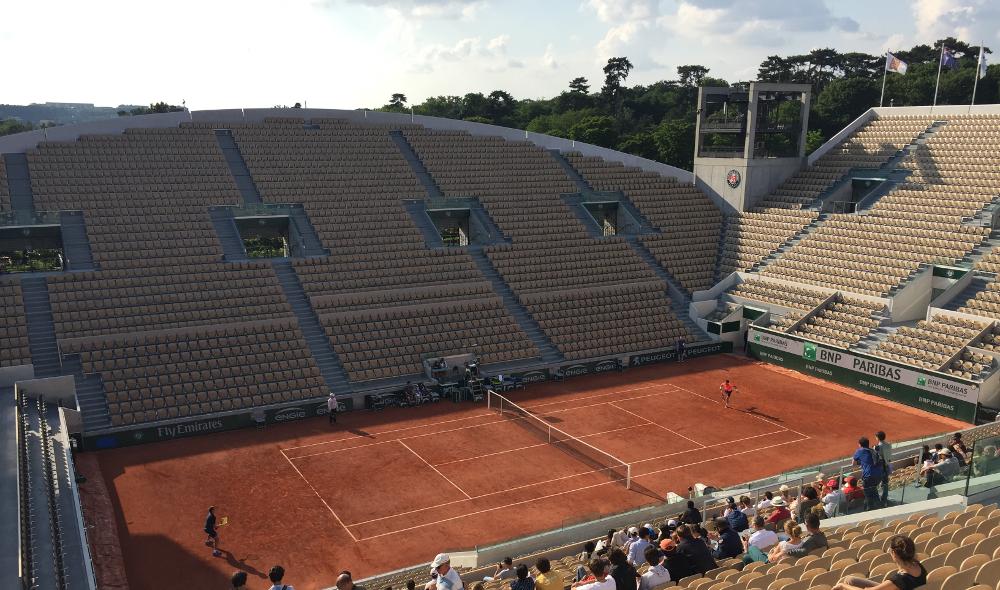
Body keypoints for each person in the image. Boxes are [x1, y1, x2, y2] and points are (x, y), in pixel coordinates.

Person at [832, 534, 926, 590]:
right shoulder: (919, 566)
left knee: (846, 583)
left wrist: (842, 585)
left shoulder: (899, 579)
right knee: (850, 580)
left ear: (893, 553)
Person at [853, 437, 884, 511]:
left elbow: (853, 464)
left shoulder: (859, 451)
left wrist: (861, 462)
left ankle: (870, 510)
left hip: (869, 476)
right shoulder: (872, 450)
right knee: (874, 489)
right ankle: (879, 506)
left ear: (860, 445)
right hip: (879, 475)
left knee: (868, 495)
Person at [875, 431, 892, 507]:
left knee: (878, 484)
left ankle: (880, 500)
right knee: (885, 484)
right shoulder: (888, 445)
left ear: (878, 438)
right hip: (887, 466)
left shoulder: (878, 447)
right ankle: (884, 499)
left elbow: (877, 457)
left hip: (881, 468)